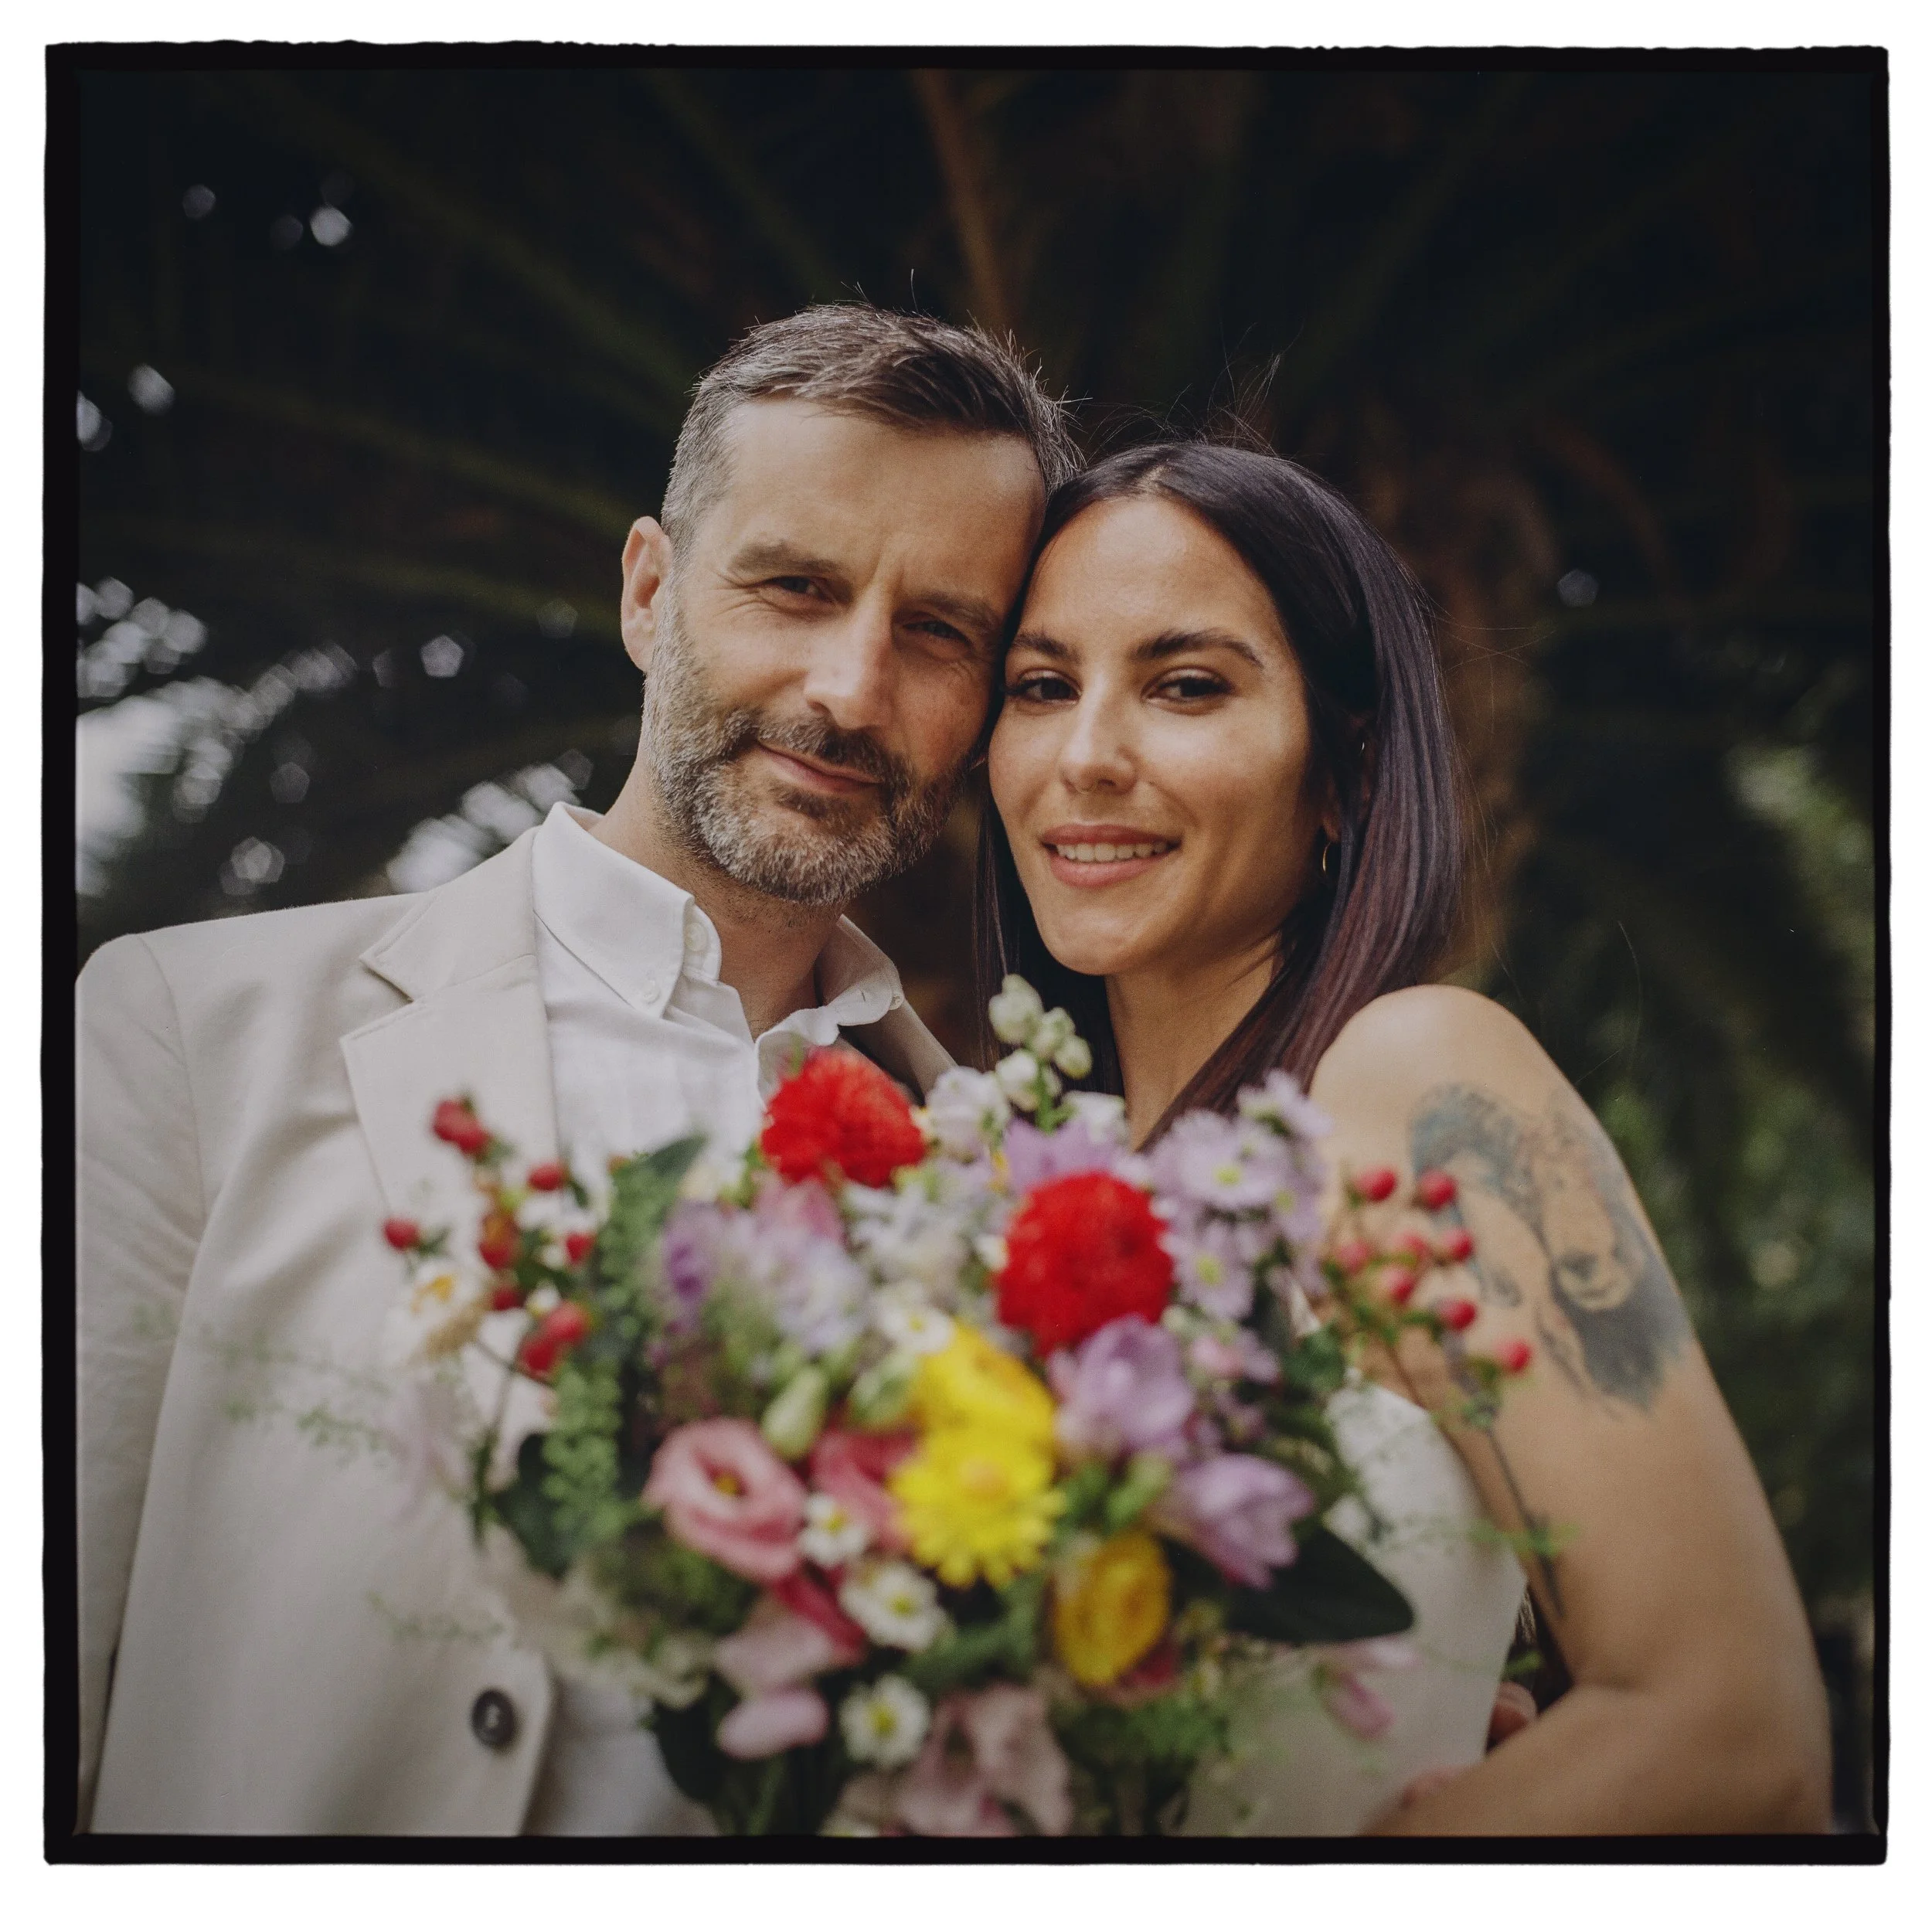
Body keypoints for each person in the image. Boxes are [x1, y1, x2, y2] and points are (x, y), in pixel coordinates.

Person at [74, 304, 1073, 1834]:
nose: (851, 689)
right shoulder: (186, 1029)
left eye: (937, 629)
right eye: (793, 587)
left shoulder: (1002, 1197)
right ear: (649, 589)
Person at [976, 437, 1832, 1834]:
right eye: (1041, 687)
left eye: (1186, 686)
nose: (1086, 756)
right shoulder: (1019, 1181)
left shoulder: (1409, 1081)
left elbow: (1734, 1736)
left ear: (1344, 768)